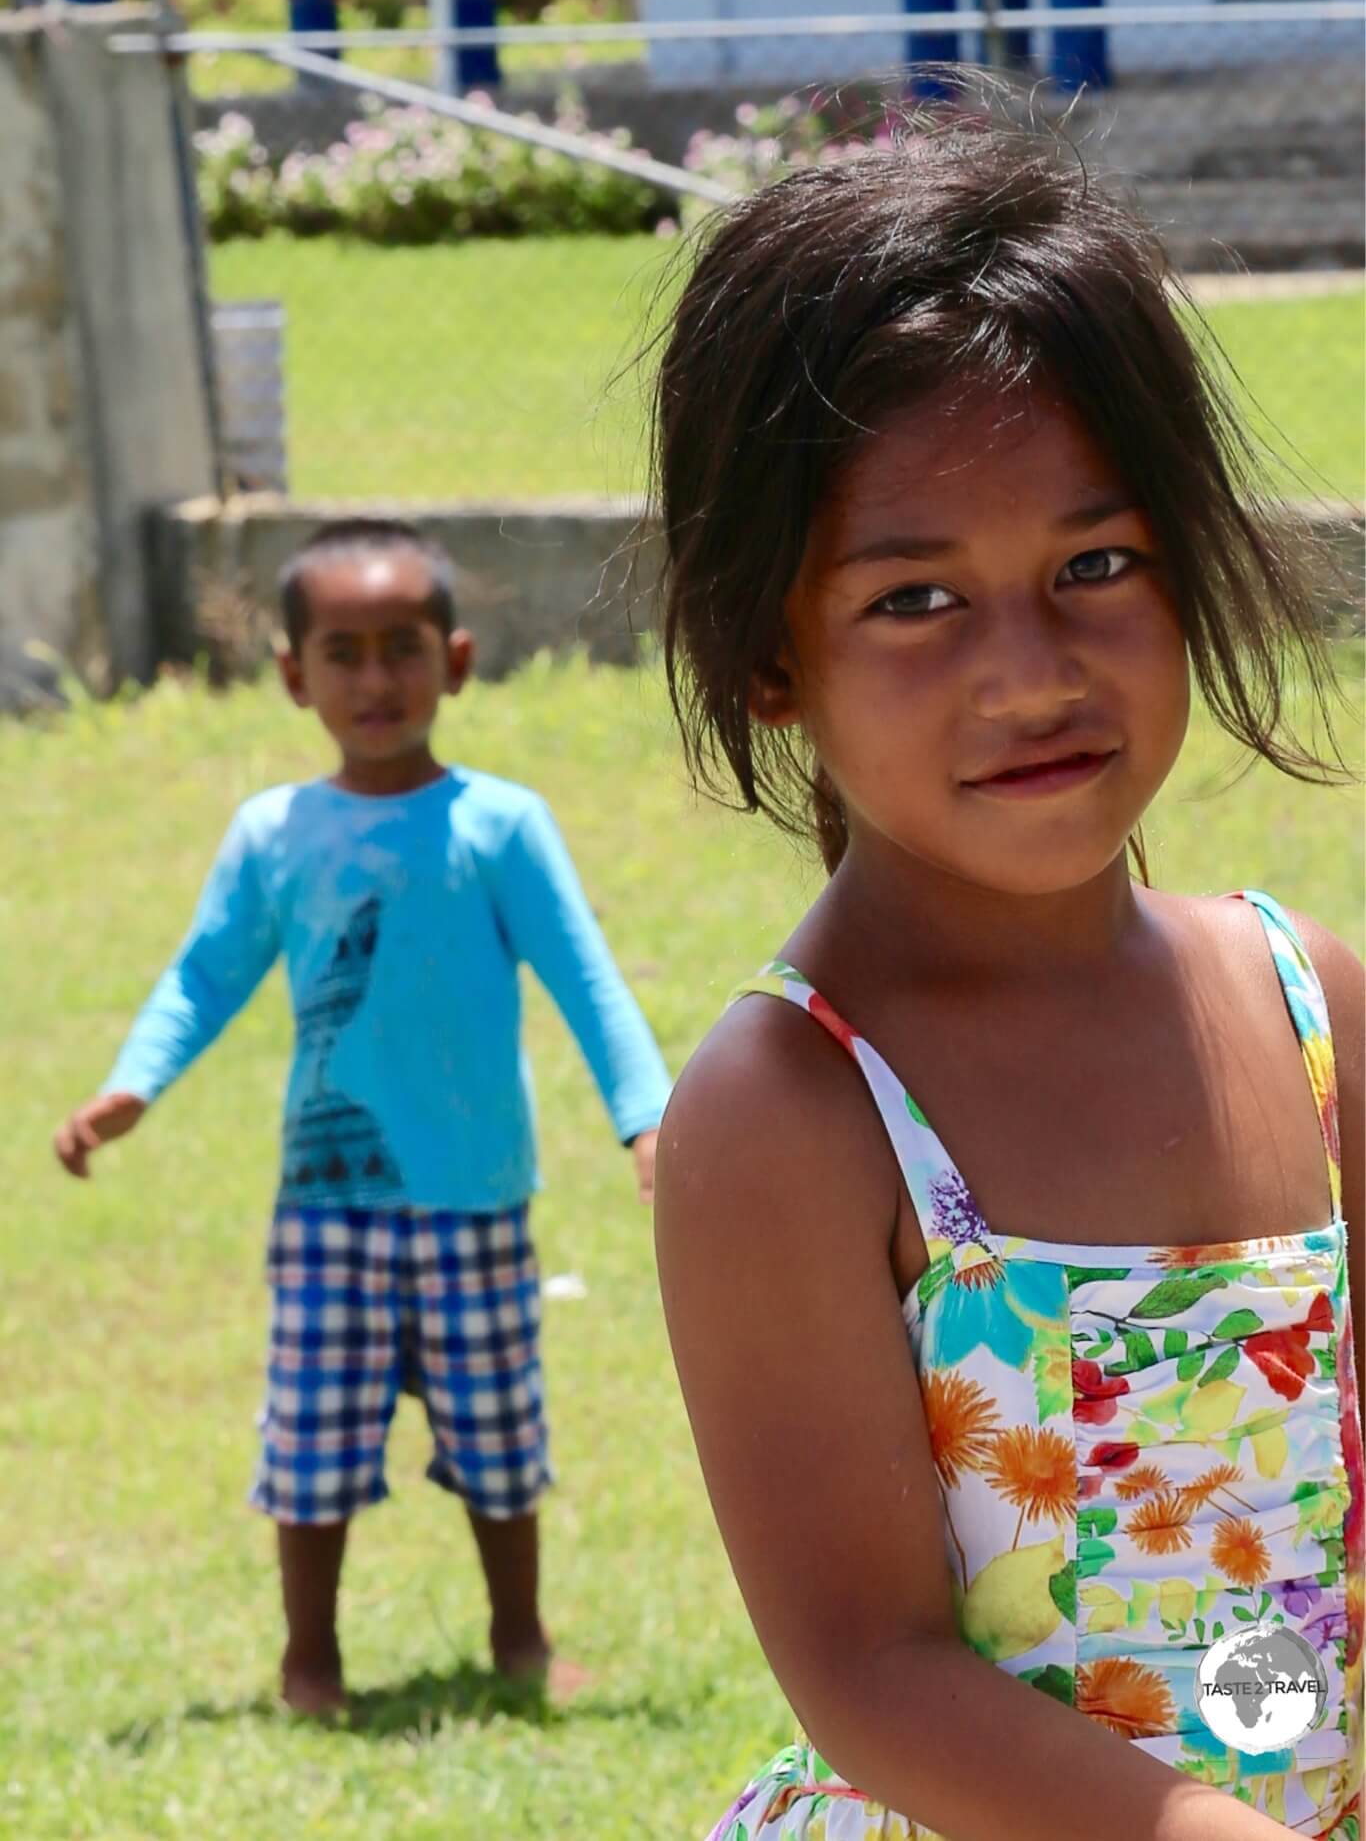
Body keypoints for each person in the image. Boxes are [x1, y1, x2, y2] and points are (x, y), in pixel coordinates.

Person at [649, 93, 1363, 1839]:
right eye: (915, 599)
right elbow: (871, 1662)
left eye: (1094, 564)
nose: (1027, 668)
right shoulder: (793, 1108)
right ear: (766, 654)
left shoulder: (1315, 1006)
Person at [53, 515, 671, 1714]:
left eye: (403, 646)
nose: (375, 678)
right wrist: (134, 1083)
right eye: (343, 652)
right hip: (325, 1210)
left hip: (473, 1199)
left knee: (499, 1438)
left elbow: (585, 976)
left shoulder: (501, 825)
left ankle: (520, 1639)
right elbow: (202, 974)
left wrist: (645, 1115)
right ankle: (310, 1664)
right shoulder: (273, 834)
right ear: (293, 674)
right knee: (312, 1443)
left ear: (459, 658)